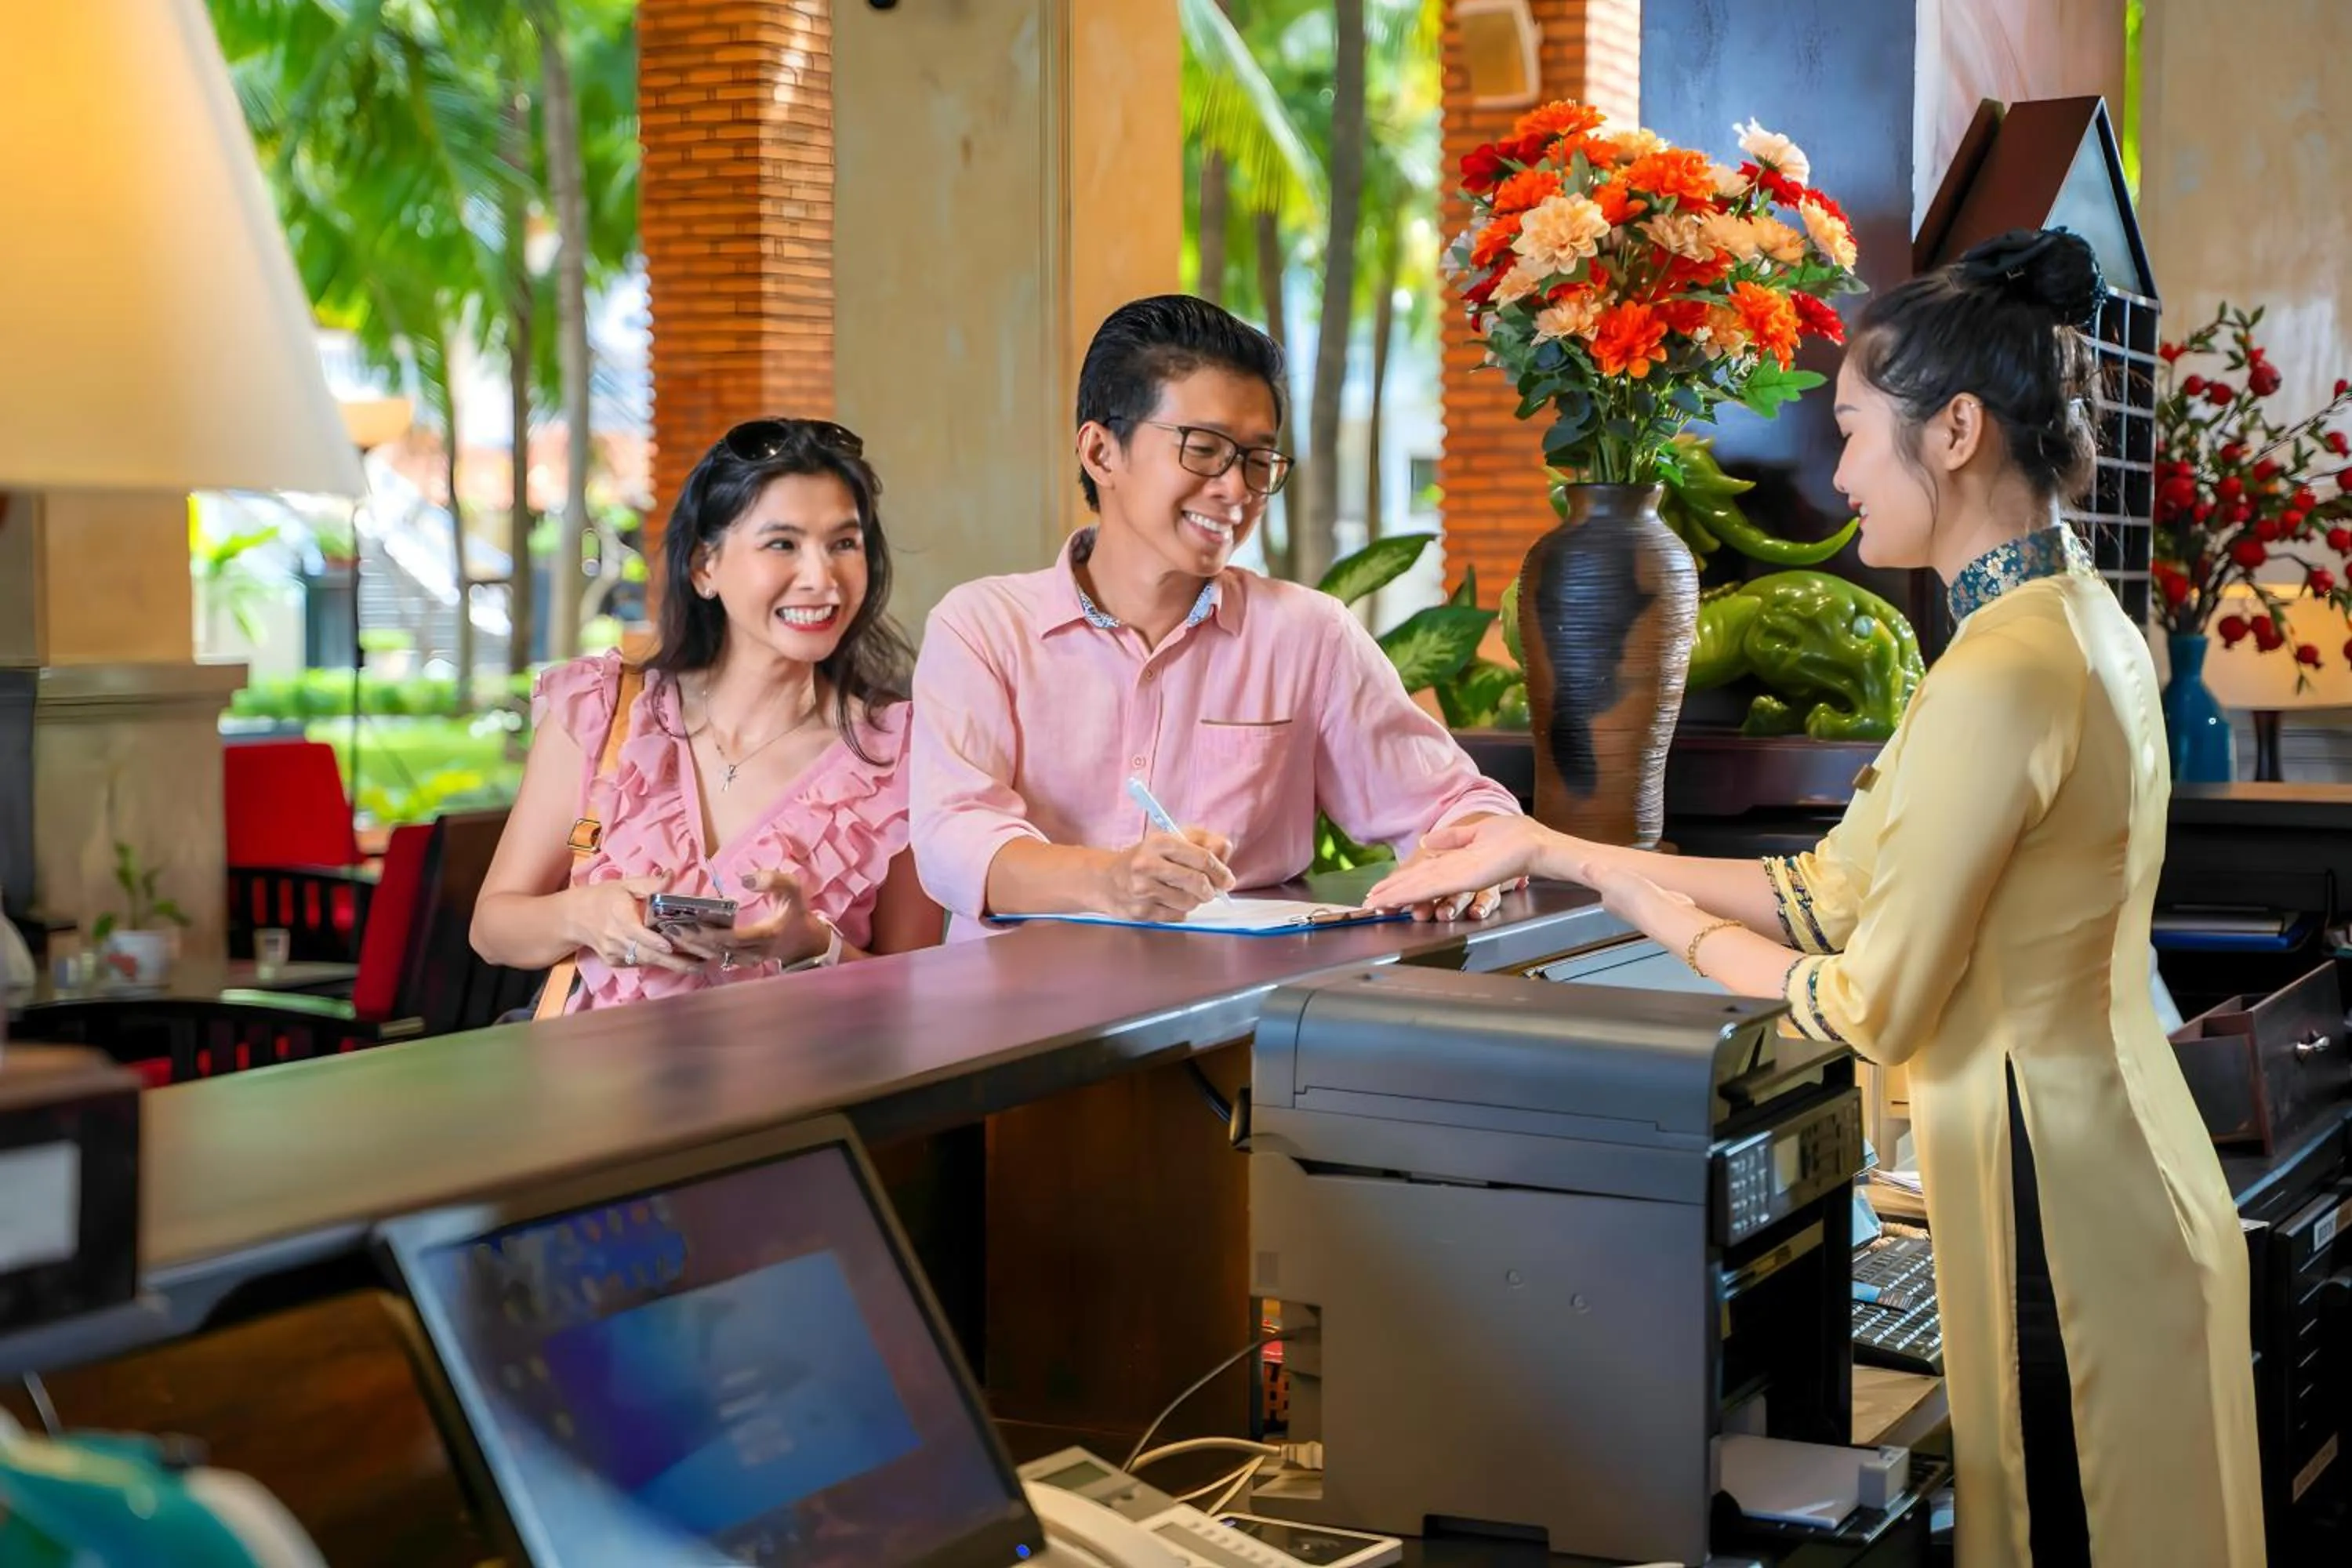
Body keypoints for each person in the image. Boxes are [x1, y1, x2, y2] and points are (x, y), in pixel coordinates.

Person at [1365, 230, 2264, 1566]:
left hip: (2061, 1214)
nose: (1837, 473)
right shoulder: (2072, 623)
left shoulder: (2000, 672)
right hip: (2114, 1170)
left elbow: (1868, 996)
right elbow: (1829, 885)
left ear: (1954, 431)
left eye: (1853, 430)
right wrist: (1559, 848)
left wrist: (1641, 905)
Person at [907, 294, 1523, 935]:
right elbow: (955, 837)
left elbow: (1454, 802)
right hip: (1018, 1013)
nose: (1236, 488)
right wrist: (1110, 881)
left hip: (1233, 1013)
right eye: (1204, 449)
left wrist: (1469, 853)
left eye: (1258, 460)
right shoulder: (983, 627)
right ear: (1100, 453)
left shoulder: (1306, 634)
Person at [473, 418, 939, 1012]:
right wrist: (584, 914)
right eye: (782, 544)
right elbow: (491, 929)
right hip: (591, 1094)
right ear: (703, 568)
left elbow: (917, 997)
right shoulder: (603, 707)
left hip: (796, 1098)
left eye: (843, 544)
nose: (822, 579)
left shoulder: (898, 754)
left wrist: (813, 945)